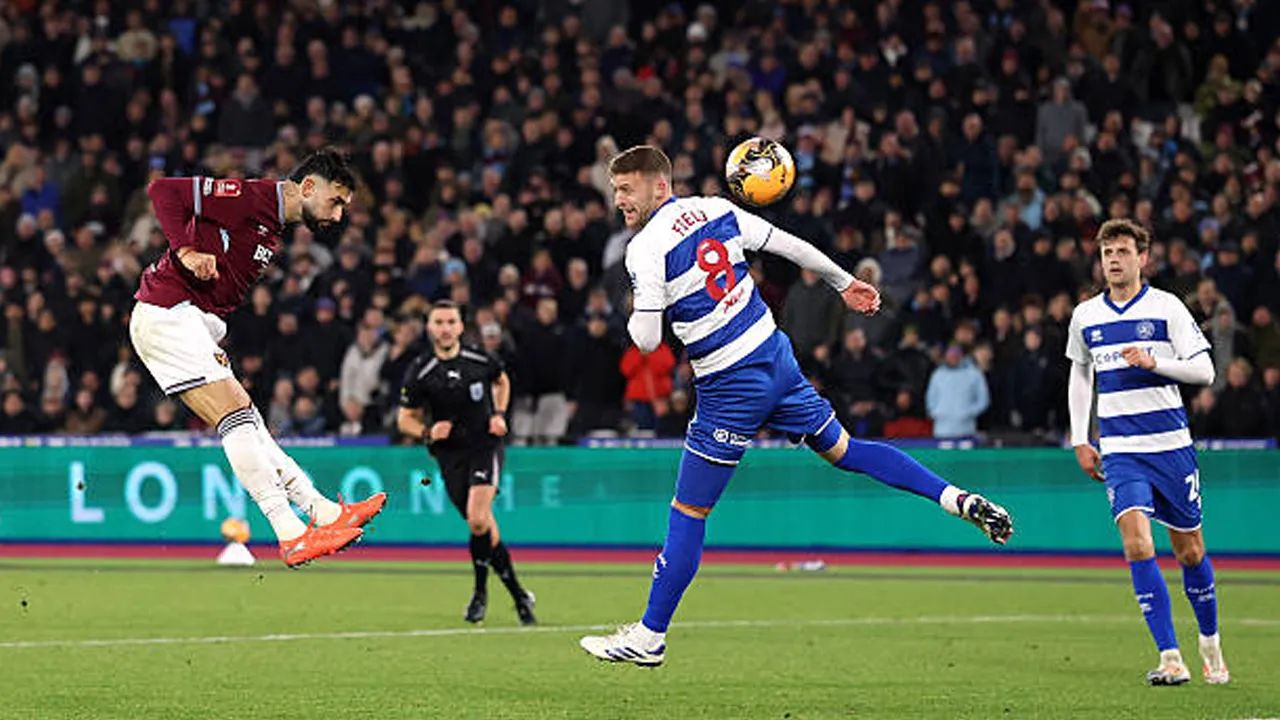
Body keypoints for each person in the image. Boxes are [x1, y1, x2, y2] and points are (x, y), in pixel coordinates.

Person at [579, 146, 1013, 666]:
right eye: (616, 189)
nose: (619, 199)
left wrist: (637, 310)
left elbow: (647, 340)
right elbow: (790, 246)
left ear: (660, 188)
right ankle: (955, 498)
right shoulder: (718, 209)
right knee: (845, 449)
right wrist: (844, 283)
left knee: (689, 509)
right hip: (775, 358)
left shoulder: (644, 249)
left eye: (627, 189)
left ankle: (650, 637)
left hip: (729, 383)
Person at [130, 148, 386, 568]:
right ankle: (289, 533)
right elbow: (163, 191)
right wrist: (185, 250)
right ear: (307, 186)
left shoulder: (272, 224)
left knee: (250, 424)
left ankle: (323, 512)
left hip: (187, 321)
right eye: (335, 201)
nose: (338, 215)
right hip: (166, 313)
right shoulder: (247, 197)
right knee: (237, 418)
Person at [1065, 218, 1228, 686]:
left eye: (1121, 252)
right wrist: (1081, 436)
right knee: (1137, 543)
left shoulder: (1167, 307)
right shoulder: (1086, 316)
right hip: (1120, 451)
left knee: (1190, 551)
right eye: (1106, 253)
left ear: (1142, 258)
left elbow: (1206, 372)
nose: (1113, 260)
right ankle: (1170, 656)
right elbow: (1080, 375)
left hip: (1171, 448)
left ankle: (1210, 642)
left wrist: (1156, 363)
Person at [397, 301, 536, 626]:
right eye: (439, 322)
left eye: (450, 321)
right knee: (485, 528)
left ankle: (479, 594)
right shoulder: (420, 369)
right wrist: (428, 431)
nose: (445, 328)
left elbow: (501, 381)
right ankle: (519, 596)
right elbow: (405, 418)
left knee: (476, 519)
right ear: (429, 327)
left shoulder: (479, 359)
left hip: (484, 446)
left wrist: (499, 414)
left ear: (460, 326)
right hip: (449, 456)